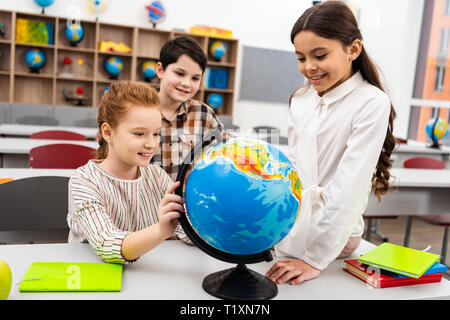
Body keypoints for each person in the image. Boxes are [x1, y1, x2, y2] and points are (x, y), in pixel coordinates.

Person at [266, 1, 396, 285]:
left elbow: (349, 187)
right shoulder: (301, 99)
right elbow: (293, 170)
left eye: (320, 55)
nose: (309, 67)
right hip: (290, 229)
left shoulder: (371, 102)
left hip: (333, 240)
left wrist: (313, 259)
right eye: (300, 58)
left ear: (353, 50)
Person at [67, 81, 185, 263]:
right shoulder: (84, 180)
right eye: (139, 134)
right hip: (93, 281)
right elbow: (106, 245)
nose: (151, 144)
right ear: (108, 132)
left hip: (145, 277)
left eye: (155, 134)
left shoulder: (157, 176)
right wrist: (161, 231)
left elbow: (185, 231)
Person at [150, 36, 226, 182]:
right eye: (179, 74)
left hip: (189, 202)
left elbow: (227, 153)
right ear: (160, 70)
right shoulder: (137, 111)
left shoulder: (204, 115)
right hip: (147, 203)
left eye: (195, 78)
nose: (186, 83)